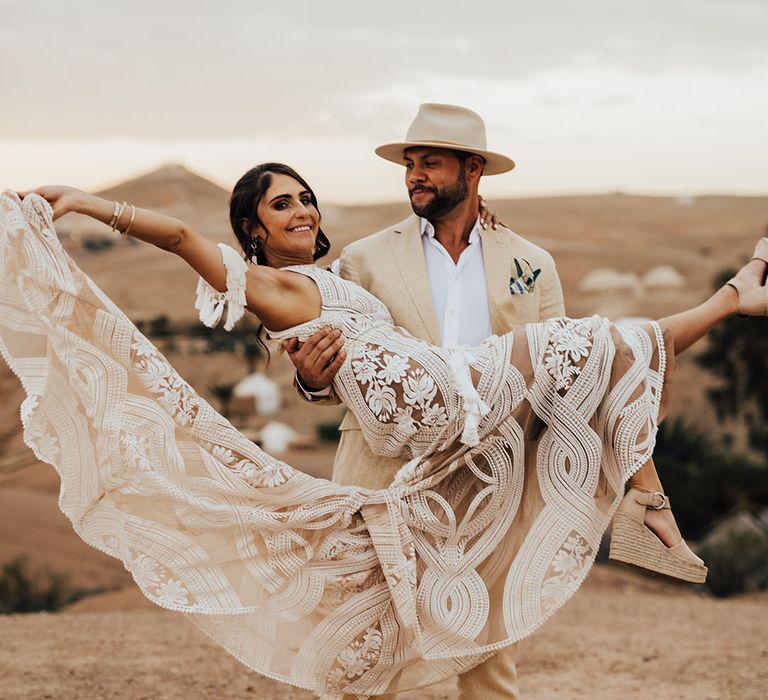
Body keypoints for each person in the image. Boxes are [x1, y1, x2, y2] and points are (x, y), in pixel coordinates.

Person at [1, 167, 765, 700]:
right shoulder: (282, 279)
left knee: (595, 360)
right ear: (249, 232)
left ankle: (648, 493)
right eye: (280, 206)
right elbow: (176, 237)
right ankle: (735, 299)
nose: (302, 211)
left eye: (305, 198)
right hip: (428, 409)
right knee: (604, 344)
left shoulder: (467, 260)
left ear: (472, 173)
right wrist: (87, 202)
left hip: (465, 423)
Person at [284, 102, 564, 700]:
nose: (415, 174)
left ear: (473, 169)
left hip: (491, 481)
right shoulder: (363, 258)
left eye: (430, 163)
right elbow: (340, 370)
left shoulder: (531, 264)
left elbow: (555, 373)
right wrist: (313, 380)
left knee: (489, 661)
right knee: (372, 653)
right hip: (382, 479)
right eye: (410, 163)